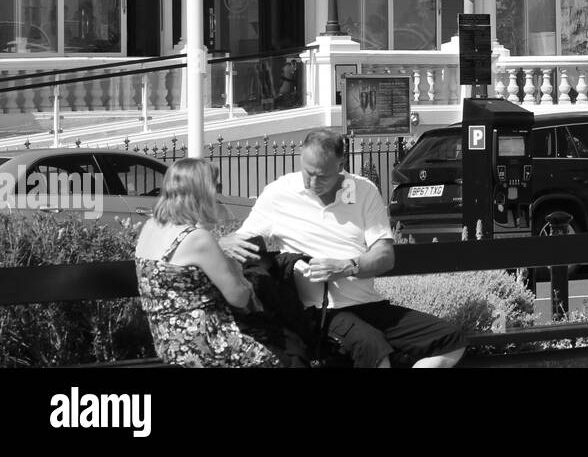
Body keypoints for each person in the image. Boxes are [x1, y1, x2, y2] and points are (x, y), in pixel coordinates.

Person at [221, 130, 465, 368]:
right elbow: (242, 238)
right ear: (300, 159)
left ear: (341, 164)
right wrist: (223, 242)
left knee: (451, 340)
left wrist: (347, 266)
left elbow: (385, 255)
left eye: (322, 176)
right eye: (308, 173)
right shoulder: (279, 192)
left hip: (368, 305)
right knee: (373, 349)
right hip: (319, 312)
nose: (313, 183)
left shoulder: (363, 190)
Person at [134, 158, 285, 368]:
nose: (218, 194)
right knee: (276, 357)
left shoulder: (150, 226)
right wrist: (234, 265)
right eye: (217, 187)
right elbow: (239, 298)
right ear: (202, 191)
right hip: (205, 342)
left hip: (168, 341)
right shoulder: (196, 237)